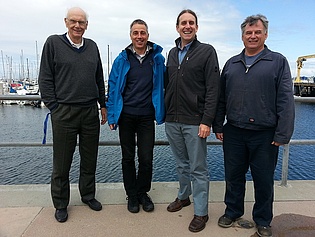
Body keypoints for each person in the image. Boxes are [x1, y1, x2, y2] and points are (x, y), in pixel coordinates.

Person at [212, 14, 295, 237]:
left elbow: (286, 100)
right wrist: (218, 125)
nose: (253, 36)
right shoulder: (231, 64)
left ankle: (263, 219)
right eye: (248, 32)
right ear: (242, 36)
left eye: (257, 32)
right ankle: (232, 211)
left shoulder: (277, 62)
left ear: (265, 34)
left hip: (265, 134)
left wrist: (283, 133)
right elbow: (221, 98)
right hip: (234, 132)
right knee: (233, 176)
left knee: (263, 179)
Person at [38, 7, 107, 223]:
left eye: (82, 22)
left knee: (89, 159)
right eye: (74, 21)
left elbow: (99, 78)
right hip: (64, 112)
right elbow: (45, 78)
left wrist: (102, 105)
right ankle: (60, 204)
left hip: (89, 112)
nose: (78, 26)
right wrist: (55, 108)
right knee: (62, 163)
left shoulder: (93, 46)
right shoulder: (53, 43)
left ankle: (87, 195)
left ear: (87, 25)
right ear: (66, 22)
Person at [164, 9, 220, 232]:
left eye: (191, 23)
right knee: (181, 164)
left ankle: (201, 212)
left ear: (197, 27)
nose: (187, 26)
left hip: (196, 121)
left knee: (198, 168)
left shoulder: (206, 52)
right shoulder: (170, 53)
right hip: (172, 119)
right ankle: (183, 196)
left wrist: (207, 120)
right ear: (177, 27)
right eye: (183, 23)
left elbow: (213, 88)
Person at [106, 19, 165, 213]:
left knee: (146, 158)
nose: (139, 37)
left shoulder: (156, 58)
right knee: (128, 157)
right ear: (130, 35)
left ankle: (142, 193)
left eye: (143, 33)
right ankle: (131, 195)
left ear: (148, 35)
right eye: (135, 33)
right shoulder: (122, 59)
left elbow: (165, 84)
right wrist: (113, 116)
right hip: (127, 116)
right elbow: (113, 87)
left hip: (147, 116)